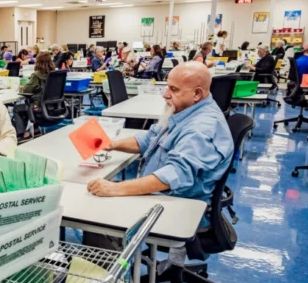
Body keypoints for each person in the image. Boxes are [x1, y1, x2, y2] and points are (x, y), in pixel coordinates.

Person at [86, 62, 233, 230]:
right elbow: (150, 139)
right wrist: (112, 144)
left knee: (95, 215)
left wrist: (116, 189)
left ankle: (119, 253)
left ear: (197, 94)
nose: (166, 94)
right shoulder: (186, 111)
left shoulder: (200, 129)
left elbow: (174, 175)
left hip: (176, 207)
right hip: (166, 196)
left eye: (174, 89)